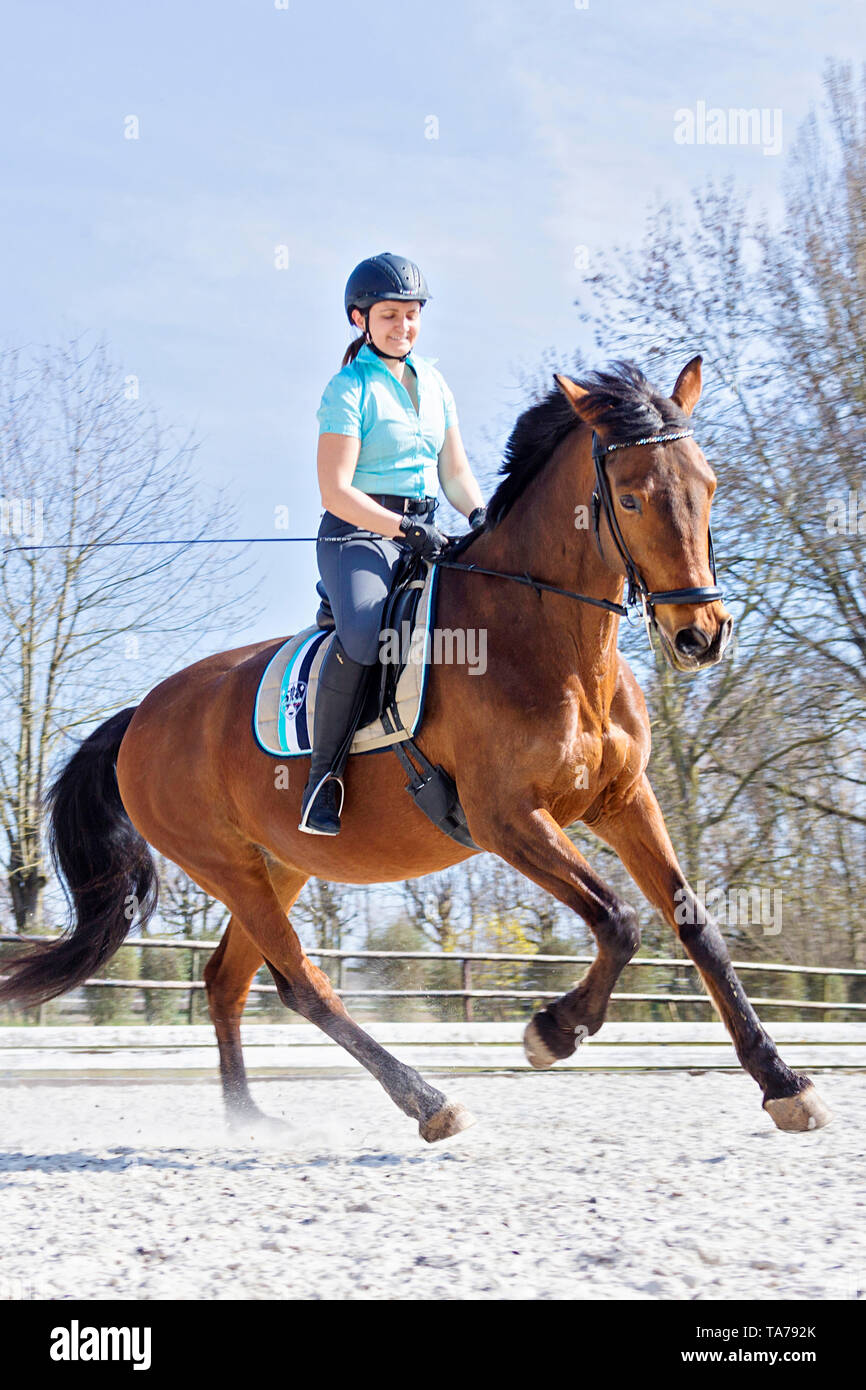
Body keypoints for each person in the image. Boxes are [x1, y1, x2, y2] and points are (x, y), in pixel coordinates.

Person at [299, 251, 487, 836]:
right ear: (360, 320)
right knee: (363, 639)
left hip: (426, 532)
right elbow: (336, 491)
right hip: (358, 538)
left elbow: (453, 473)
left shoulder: (436, 384)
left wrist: (481, 515)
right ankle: (321, 780)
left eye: (411, 315)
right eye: (389, 316)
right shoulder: (348, 388)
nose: (402, 327)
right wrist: (404, 529)